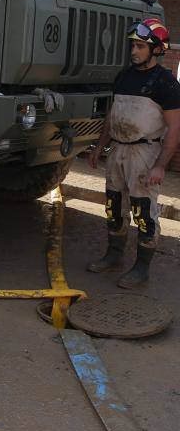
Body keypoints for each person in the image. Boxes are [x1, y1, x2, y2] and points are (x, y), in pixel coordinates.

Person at [87, 18, 180, 288]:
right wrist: (99, 147)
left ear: (156, 50)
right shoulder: (123, 76)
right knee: (113, 206)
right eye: (133, 46)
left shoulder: (166, 84)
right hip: (117, 150)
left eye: (140, 46)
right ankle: (113, 256)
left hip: (145, 155)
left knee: (142, 212)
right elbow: (112, 116)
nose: (134, 51)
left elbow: (175, 129)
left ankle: (141, 268)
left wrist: (161, 165)